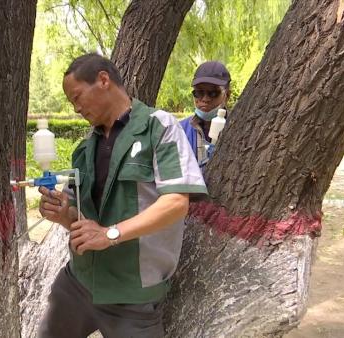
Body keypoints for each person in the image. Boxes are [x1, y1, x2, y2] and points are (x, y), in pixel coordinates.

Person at [36, 53, 207, 338]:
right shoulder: (84, 149)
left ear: (103, 80)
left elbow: (176, 202)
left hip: (132, 296)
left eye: (77, 97)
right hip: (78, 283)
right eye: (71, 103)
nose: (76, 108)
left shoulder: (159, 127)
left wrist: (110, 234)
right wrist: (63, 213)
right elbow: (81, 224)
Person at [179, 61, 232, 167]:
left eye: (213, 93)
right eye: (199, 93)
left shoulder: (238, 128)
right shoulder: (180, 130)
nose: (205, 99)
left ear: (227, 96)